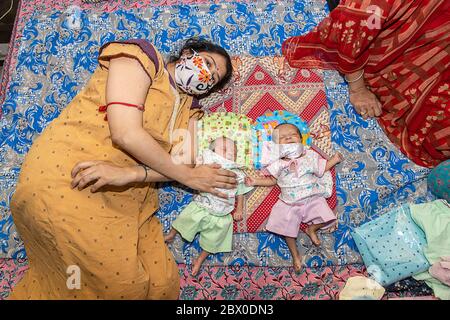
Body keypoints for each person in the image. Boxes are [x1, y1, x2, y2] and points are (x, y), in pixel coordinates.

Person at [9, 38, 236, 299]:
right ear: (187, 53)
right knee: (121, 288)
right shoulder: (142, 58)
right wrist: (191, 178)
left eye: (213, 78)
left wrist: (132, 173)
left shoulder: (191, 111)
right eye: (207, 63)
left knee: (163, 284)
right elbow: (126, 133)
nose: (206, 75)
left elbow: (184, 162)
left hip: (130, 197)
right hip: (73, 172)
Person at [282, 0, 449, 168]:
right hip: (387, 42)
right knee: (437, 134)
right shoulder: (369, 8)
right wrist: (358, 89)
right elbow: (352, 31)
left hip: (437, 37)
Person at [245, 124, 342, 272]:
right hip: (289, 203)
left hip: (312, 198)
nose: (288, 137)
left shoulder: (310, 155)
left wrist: (334, 160)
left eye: (292, 135)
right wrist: (256, 181)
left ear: (301, 139)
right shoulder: (277, 163)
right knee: (287, 230)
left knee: (330, 217)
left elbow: (321, 169)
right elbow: (273, 181)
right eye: (282, 138)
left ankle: (312, 229)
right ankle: (295, 255)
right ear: (277, 146)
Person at [164, 136, 252, 276]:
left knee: (214, 240)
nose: (230, 153)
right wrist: (199, 165)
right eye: (224, 149)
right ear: (212, 151)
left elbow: (239, 191)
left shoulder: (237, 172)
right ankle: (171, 234)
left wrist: (239, 208)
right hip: (202, 205)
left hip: (222, 214)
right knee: (185, 219)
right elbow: (195, 168)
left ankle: (200, 259)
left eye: (233, 152)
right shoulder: (208, 160)